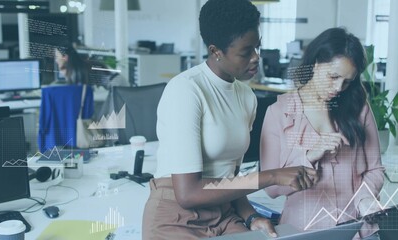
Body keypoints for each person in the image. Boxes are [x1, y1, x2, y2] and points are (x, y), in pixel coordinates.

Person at [142, 0, 318, 239]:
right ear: (216, 51)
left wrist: (251, 216)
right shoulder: (186, 90)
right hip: (177, 216)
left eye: (258, 47)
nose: (256, 57)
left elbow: (231, 181)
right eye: (246, 52)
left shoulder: (246, 96)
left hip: (223, 214)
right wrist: (272, 176)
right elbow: (187, 194)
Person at [260, 27, 385, 240]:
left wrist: (364, 199)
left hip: (357, 230)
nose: (338, 87)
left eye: (347, 81)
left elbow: (375, 168)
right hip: (303, 230)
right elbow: (271, 188)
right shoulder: (278, 113)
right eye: (333, 76)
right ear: (315, 63)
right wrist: (309, 156)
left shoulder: (358, 106)